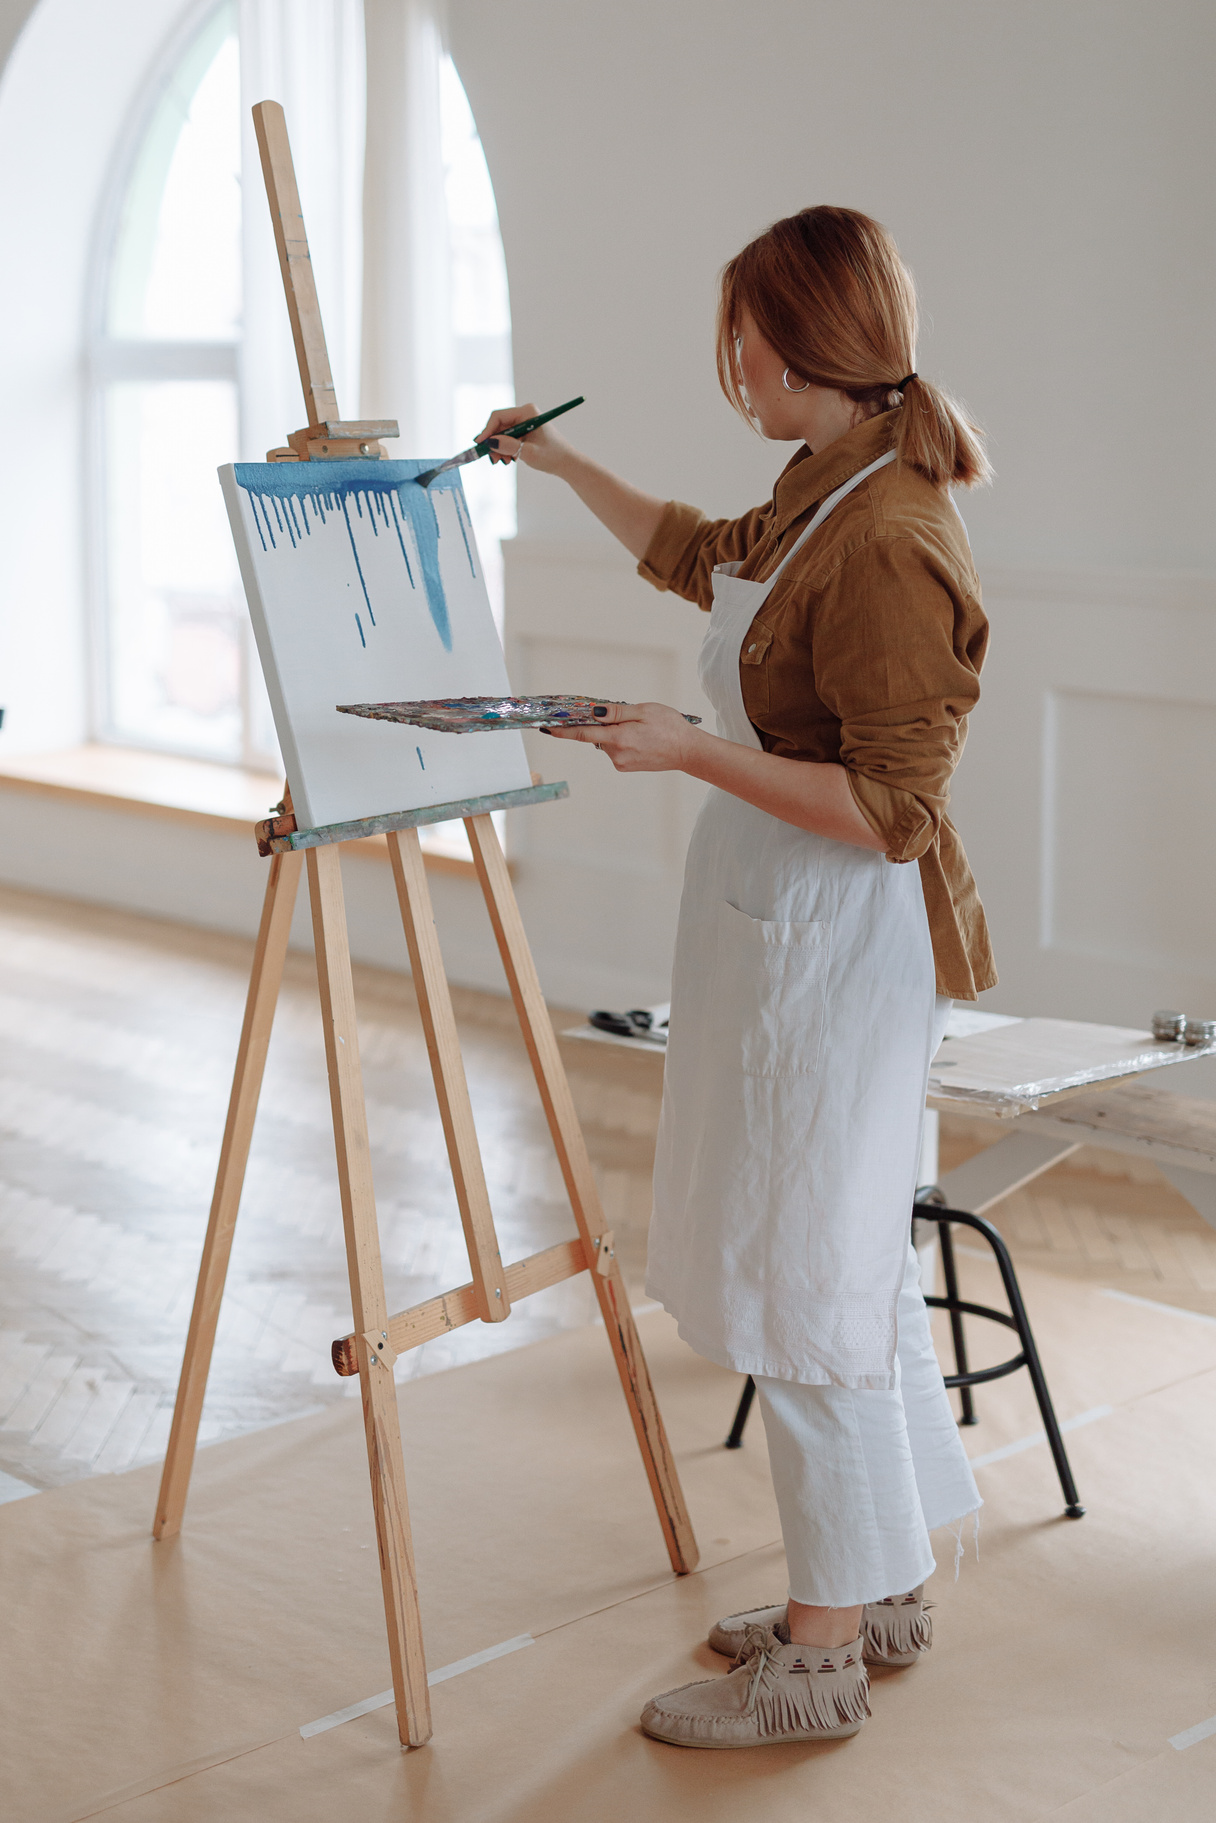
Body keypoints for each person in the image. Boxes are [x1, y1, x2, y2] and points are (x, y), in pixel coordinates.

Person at [477, 205, 996, 1750]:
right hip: (792, 940)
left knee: (808, 1281)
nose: (732, 370)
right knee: (834, 1262)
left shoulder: (895, 539)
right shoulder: (828, 480)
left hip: (836, 951)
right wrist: (560, 466)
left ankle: (820, 1660)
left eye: (739, 342)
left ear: (790, 344)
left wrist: (690, 749)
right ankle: (881, 1582)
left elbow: (896, 809)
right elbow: (704, 561)